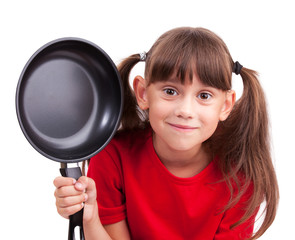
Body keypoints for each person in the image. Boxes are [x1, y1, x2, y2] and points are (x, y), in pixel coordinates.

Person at [53, 27, 279, 240]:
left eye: (204, 96)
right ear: (143, 93)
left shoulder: (240, 179)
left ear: (226, 105)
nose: (185, 111)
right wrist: (90, 219)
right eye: (170, 91)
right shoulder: (112, 157)